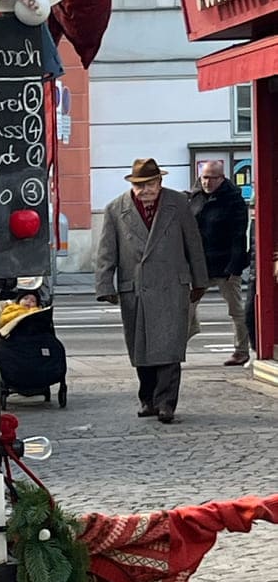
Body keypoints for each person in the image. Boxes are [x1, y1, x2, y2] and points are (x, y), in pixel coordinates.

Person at [95, 158, 208, 423]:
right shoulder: (115, 209)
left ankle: (166, 403)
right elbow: (106, 252)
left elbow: (194, 243)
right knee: (141, 348)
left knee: (169, 347)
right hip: (135, 288)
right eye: (139, 185)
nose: (145, 190)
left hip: (171, 286)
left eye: (150, 184)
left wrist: (199, 281)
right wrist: (104, 285)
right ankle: (147, 399)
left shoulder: (178, 205)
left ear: (160, 183)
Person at [187, 159, 250, 365]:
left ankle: (241, 350)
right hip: (200, 265)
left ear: (221, 178)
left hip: (225, 264)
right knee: (186, 307)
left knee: (235, 309)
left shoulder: (233, 200)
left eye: (212, 178)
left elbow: (239, 235)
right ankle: (177, 348)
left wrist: (234, 267)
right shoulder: (195, 197)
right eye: (204, 177)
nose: (207, 182)